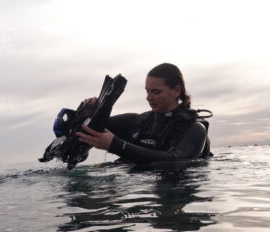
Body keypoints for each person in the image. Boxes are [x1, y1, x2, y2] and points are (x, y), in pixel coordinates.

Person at [75, 63, 211, 164]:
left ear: (176, 91)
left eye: (156, 92)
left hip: (172, 191)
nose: (148, 97)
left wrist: (116, 146)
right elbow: (86, 130)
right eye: (147, 91)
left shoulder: (195, 129)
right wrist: (90, 114)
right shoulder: (137, 121)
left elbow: (175, 160)